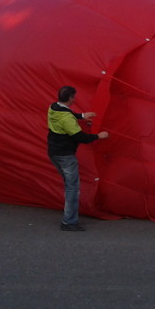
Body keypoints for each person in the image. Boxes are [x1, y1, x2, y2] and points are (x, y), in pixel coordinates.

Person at [47, 85, 109, 232]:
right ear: (70, 98)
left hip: (54, 153)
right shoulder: (67, 119)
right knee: (72, 189)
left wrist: (81, 116)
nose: (74, 98)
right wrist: (99, 136)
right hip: (65, 156)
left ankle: (69, 219)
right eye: (74, 96)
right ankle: (68, 222)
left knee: (69, 185)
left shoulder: (53, 107)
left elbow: (66, 114)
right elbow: (80, 137)